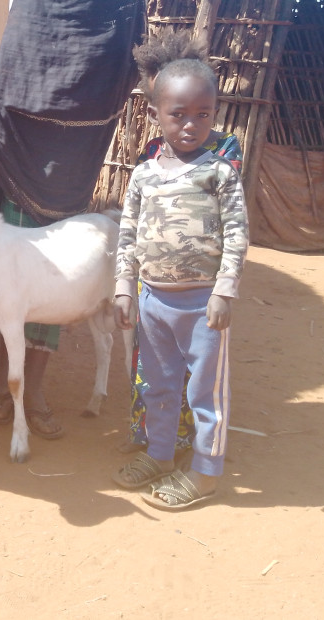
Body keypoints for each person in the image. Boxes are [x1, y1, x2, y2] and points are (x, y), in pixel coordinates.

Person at [0, 0, 146, 440]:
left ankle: (29, 389)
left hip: (75, 149)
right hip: (18, 144)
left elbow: (126, 63)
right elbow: (12, 65)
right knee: (11, 270)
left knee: (53, 273)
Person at [111, 32, 249, 510]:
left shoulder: (220, 172)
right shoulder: (145, 174)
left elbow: (237, 234)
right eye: (178, 115)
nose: (191, 126)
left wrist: (224, 291)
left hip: (201, 302)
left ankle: (206, 474)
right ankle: (161, 453)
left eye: (202, 115)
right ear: (155, 114)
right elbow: (128, 232)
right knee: (159, 385)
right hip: (152, 301)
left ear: (214, 114)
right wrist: (125, 288)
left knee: (205, 392)